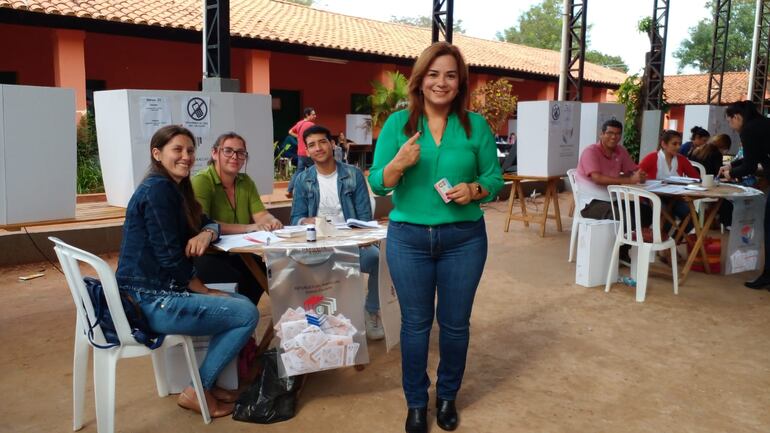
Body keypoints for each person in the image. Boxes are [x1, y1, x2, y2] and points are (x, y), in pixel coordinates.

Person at [368, 42, 503, 433]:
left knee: (455, 324)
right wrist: (398, 163)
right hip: (408, 239)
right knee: (415, 325)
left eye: (450, 75)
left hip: (464, 239)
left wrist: (475, 190)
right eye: (433, 74)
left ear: (460, 83)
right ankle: (415, 402)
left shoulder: (475, 126)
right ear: (420, 79)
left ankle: (447, 397)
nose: (441, 82)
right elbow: (378, 183)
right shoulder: (399, 125)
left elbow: (494, 178)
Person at [116, 125, 258, 418]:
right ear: (157, 154)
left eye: (190, 150)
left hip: (157, 293)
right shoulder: (158, 190)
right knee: (246, 314)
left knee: (243, 302)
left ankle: (205, 385)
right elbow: (169, 258)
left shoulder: (176, 188)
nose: (186, 156)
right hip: (150, 300)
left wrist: (206, 233)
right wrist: (203, 289)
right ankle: (197, 389)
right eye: (177, 150)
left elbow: (209, 222)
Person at [290, 124, 384, 340]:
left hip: (350, 244)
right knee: (287, 268)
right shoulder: (303, 180)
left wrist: (357, 238)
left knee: (379, 259)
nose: (318, 148)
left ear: (332, 144)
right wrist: (307, 221)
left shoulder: (353, 174)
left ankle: (371, 311)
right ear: (307, 151)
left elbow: (364, 218)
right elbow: (295, 219)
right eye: (312, 145)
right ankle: (311, 321)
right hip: (317, 247)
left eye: (322, 142)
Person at [191, 132, 283, 306]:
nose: (235, 157)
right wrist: (248, 227)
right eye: (228, 151)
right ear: (214, 153)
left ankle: (246, 316)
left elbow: (261, 214)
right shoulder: (201, 181)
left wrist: (271, 220)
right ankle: (240, 315)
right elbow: (203, 222)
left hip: (241, 253)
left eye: (241, 153)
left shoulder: (245, 181)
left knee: (271, 270)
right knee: (243, 279)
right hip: (209, 254)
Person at [719, 100, 770, 290]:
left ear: (737, 117)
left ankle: (767, 276)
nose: (731, 127)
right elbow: (752, 157)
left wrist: (730, 174)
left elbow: (749, 165)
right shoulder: (763, 123)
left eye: (730, 121)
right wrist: (731, 165)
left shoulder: (748, 130)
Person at [576, 119, 650, 225]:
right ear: (601, 134)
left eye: (618, 134)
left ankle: (636, 235)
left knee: (646, 212)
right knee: (625, 219)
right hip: (590, 202)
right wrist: (629, 180)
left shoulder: (620, 150)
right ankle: (628, 236)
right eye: (610, 133)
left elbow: (633, 170)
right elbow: (597, 179)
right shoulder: (590, 151)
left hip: (613, 200)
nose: (614, 137)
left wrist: (640, 175)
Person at [638, 129, 699, 236]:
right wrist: (642, 178)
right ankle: (663, 240)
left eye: (679, 144)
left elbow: (696, 178)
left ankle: (674, 240)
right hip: (653, 196)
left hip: (675, 197)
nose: (678, 147)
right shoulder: (652, 158)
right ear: (664, 144)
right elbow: (637, 174)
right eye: (674, 144)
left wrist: (686, 185)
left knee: (693, 216)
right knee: (666, 215)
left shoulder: (681, 159)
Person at [286, 107, 317, 197]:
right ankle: (311, 191)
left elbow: (290, 131)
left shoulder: (299, 123)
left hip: (300, 153)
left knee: (299, 172)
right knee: (314, 171)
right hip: (308, 153)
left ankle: (289, 190)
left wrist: (299, 136)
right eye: (313, 114)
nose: (315, 116)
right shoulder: (311, 125)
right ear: (307, 115)